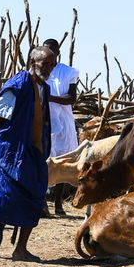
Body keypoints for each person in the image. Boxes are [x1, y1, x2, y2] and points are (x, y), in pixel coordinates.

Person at [0, 46, 56, 262]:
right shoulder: (17, 86)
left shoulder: (44, 88)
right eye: (45, 64)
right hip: (8, 151)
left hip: (33, 152)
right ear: (32, 62)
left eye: (52, 65)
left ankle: (21, 249)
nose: (48, 68)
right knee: (5, 195)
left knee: (35, 196)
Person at [43, 38, 80, 215]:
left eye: (51, 50)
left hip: (63, 123)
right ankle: (41, 202)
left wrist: (49, 98)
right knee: (43, 162)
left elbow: (71, 99)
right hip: (44, 121)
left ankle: (58, 203)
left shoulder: (68, 72)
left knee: (63, 162)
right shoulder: (37, 71)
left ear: (57, 52)